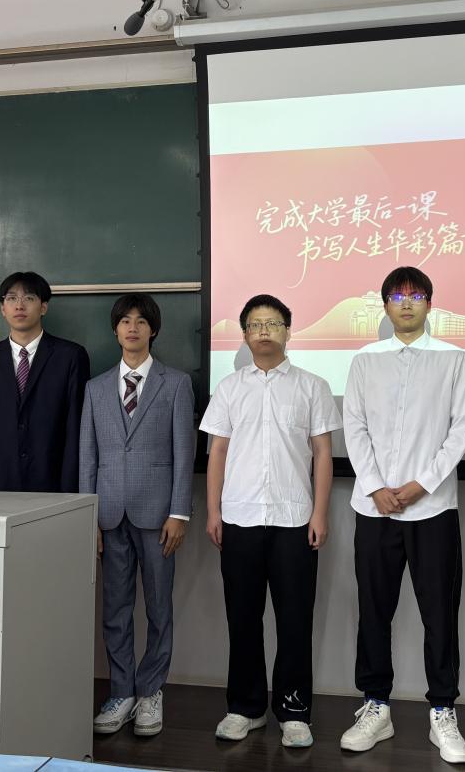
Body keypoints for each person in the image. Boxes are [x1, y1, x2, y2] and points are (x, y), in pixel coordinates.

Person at [340, 266, 465, 764]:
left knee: (439, 613)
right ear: (385, 306)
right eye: (397, 296)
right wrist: (376, 487)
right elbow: (354, 426)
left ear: (429, 304)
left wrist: (421, 485)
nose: (407, 303)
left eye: (416, 295)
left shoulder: (453, 359)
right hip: (373, 509)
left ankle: (442, 710)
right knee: (374, 610)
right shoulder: (364, 361)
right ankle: (376, 706)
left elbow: (460, 430)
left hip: (432, 508)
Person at [201, 294, 340, 750]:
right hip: (239, 517)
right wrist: (214, 511)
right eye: (256, 324)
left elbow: (323, 453)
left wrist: (320, 513)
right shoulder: (229, 388)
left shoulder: (312, 386)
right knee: (242, 618)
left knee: (295, 619)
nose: (264, 331)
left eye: (273, 323)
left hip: (294, 519)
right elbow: (218, 452)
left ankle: (294, 711)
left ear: (288, 331)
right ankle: (245, 708)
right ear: (244, 334)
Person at [80, 293, 195, 739]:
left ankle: (150, 692)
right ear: (115, 330)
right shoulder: (95, 388)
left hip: (159, 515)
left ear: (153, 330)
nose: (132, 327)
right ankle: (121, 691)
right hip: (109, 515)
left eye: (141, 321)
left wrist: (180, 512)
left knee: (159, 607)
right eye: (125, 321)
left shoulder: (176, 383)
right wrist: (88, 517)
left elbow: (184, 455)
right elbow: (88, 458)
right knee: (115, 609)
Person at [0, 271, 89, 492]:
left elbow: (75, 427)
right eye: (11, 298)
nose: (19, 305)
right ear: (3, 309)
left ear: (43, 307)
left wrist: (71, 490)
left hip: (49, 479)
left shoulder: (70, 356)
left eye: (29, 298)